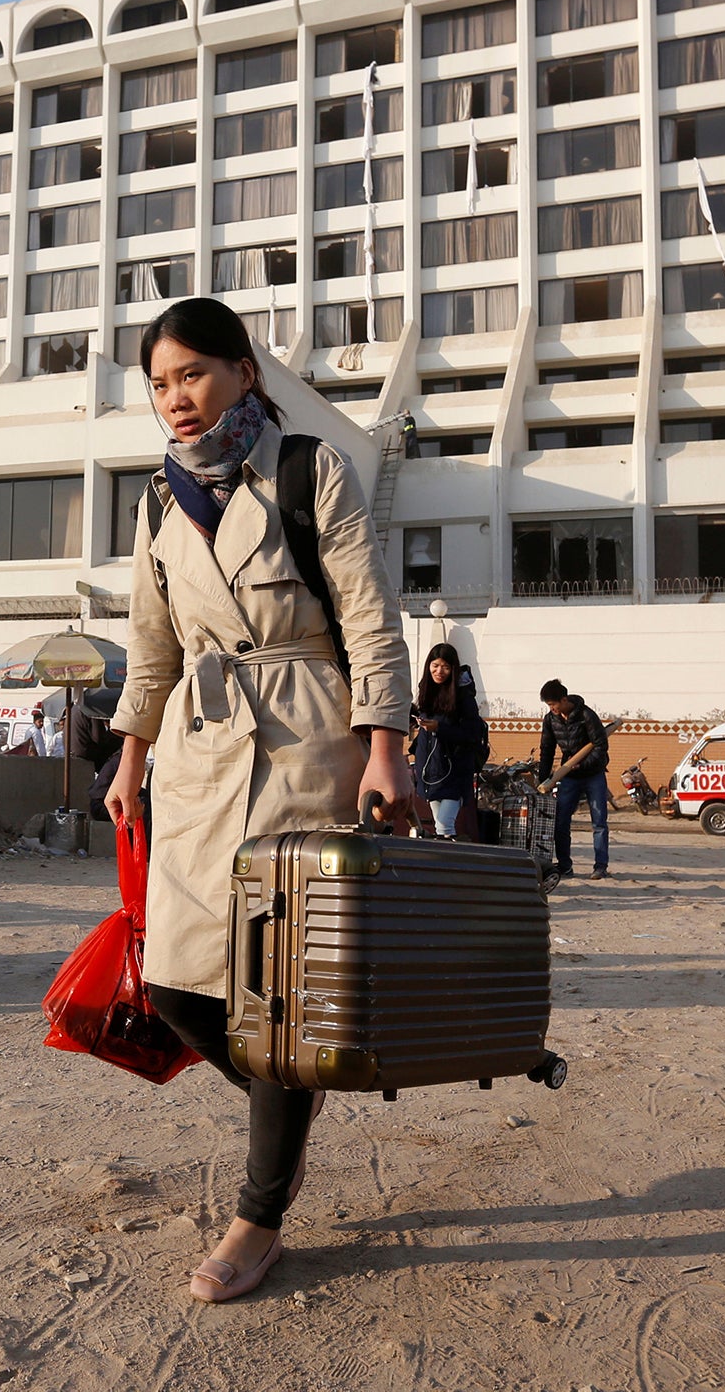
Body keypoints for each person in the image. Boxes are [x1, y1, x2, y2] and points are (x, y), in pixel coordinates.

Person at [105, 297, 414, 1304]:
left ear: (243, 372)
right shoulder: (155, 501)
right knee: (178, 988)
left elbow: (368, 619)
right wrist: (127, 754)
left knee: (270, 991)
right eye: (158, 383)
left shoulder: (304, 469)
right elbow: (151, 646)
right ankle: (290, 1093)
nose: (175, 398)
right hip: (195, 759)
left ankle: (256, 1214)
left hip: (302, 743)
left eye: (191, 373)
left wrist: (388, 753)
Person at [409, 642, 486, 840]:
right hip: (431, 768)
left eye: (445, 666)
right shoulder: (426, 690)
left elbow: (471, 734)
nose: (439, 671)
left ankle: (446, 863)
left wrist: (439, 728)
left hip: (456, 770)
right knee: (441, 825)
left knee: (443, 825)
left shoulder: (463, 696)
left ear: (453, 669)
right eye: (434, 666)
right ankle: (449, 862)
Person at [536, 680, 610, 882]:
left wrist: (583, 765)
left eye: (554, 704)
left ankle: (600, 866)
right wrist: (544, 778)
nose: (552, 709)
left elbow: (601, 746)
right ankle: (565, 866)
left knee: (599, 822)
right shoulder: (550, 720)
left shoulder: (587, 715)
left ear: (564, 699)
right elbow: (547, 749)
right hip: (568, 776)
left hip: (593, 774)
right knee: (560, 822)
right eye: (549, 706)